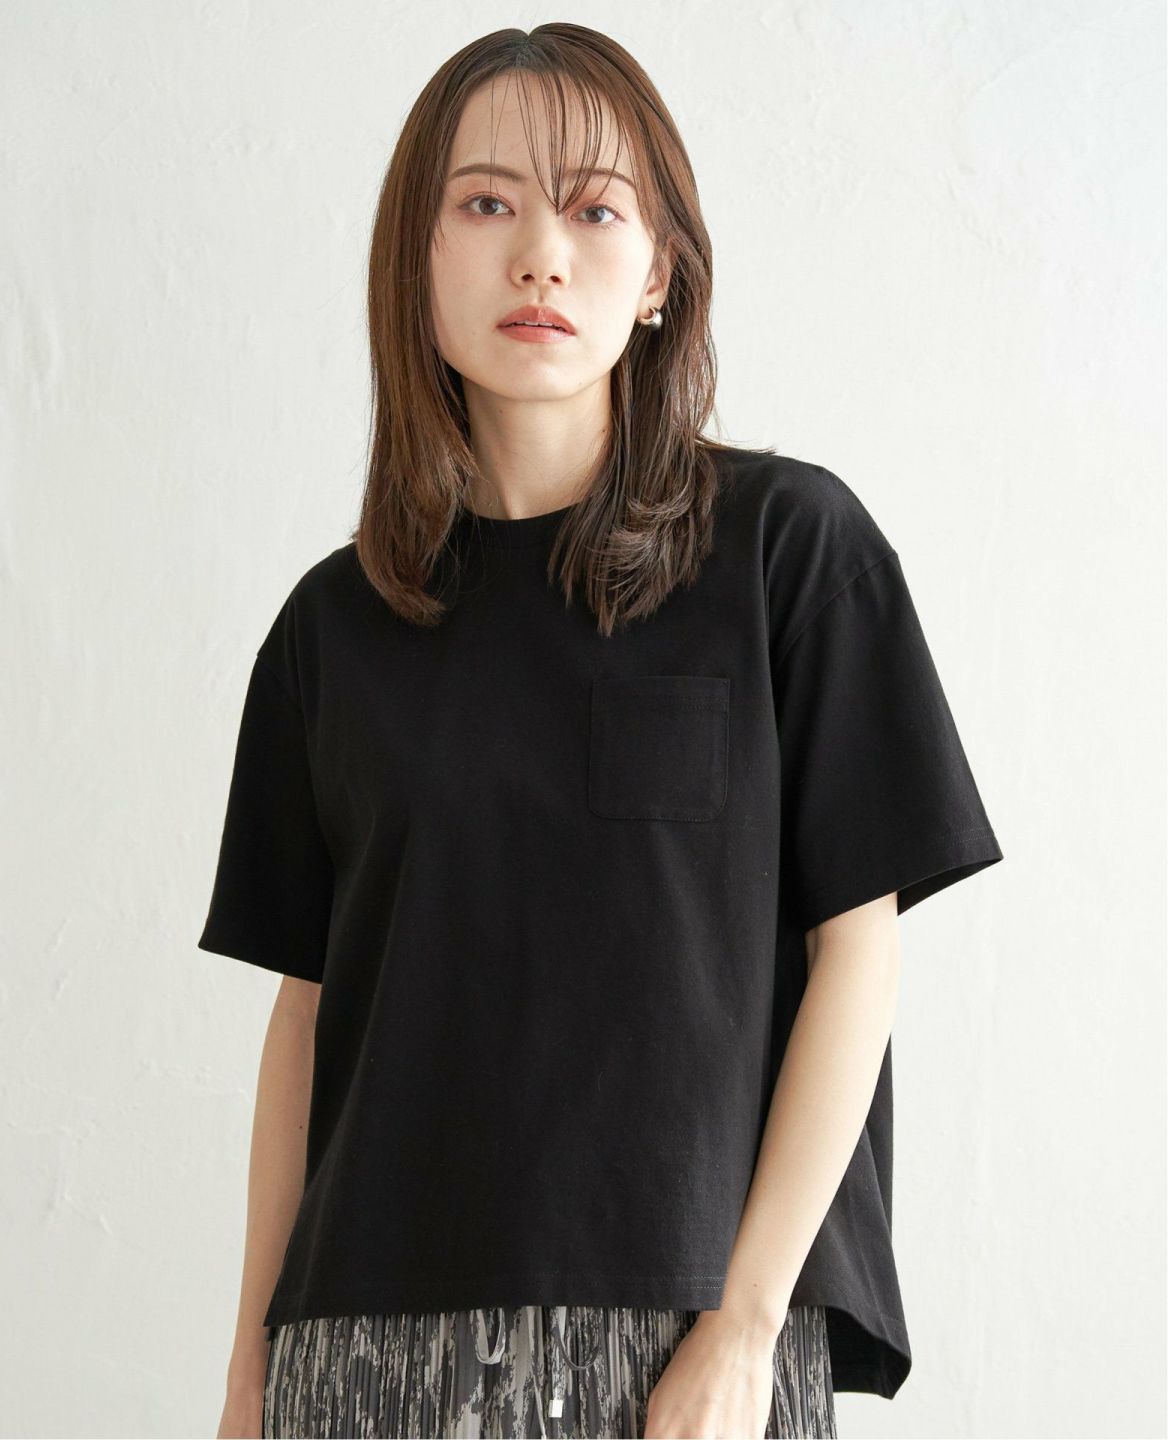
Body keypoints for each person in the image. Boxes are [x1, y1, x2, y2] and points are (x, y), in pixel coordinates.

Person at [200, 23, 1004, 1440]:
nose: (540, 257)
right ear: (416, 259)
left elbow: (859, 953)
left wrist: (747, 1328)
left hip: (683, 1343)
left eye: (594, 209)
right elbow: (308, 1015)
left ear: (660, 273)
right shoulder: (333, 628)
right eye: (486, 203)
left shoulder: (789, 553)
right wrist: (249, 1373)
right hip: (363, 1356)